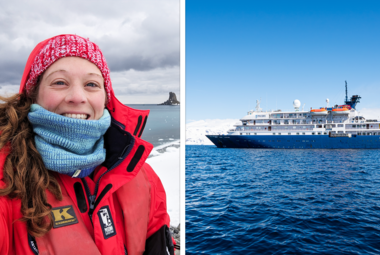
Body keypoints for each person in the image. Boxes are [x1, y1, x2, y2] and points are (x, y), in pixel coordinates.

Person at [0, 34, 174, 255]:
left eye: (91, 84)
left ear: (105, 97)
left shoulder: (142, 177)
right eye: (60, 82)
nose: (77, 96)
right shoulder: (5, 180)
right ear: (33, 95)